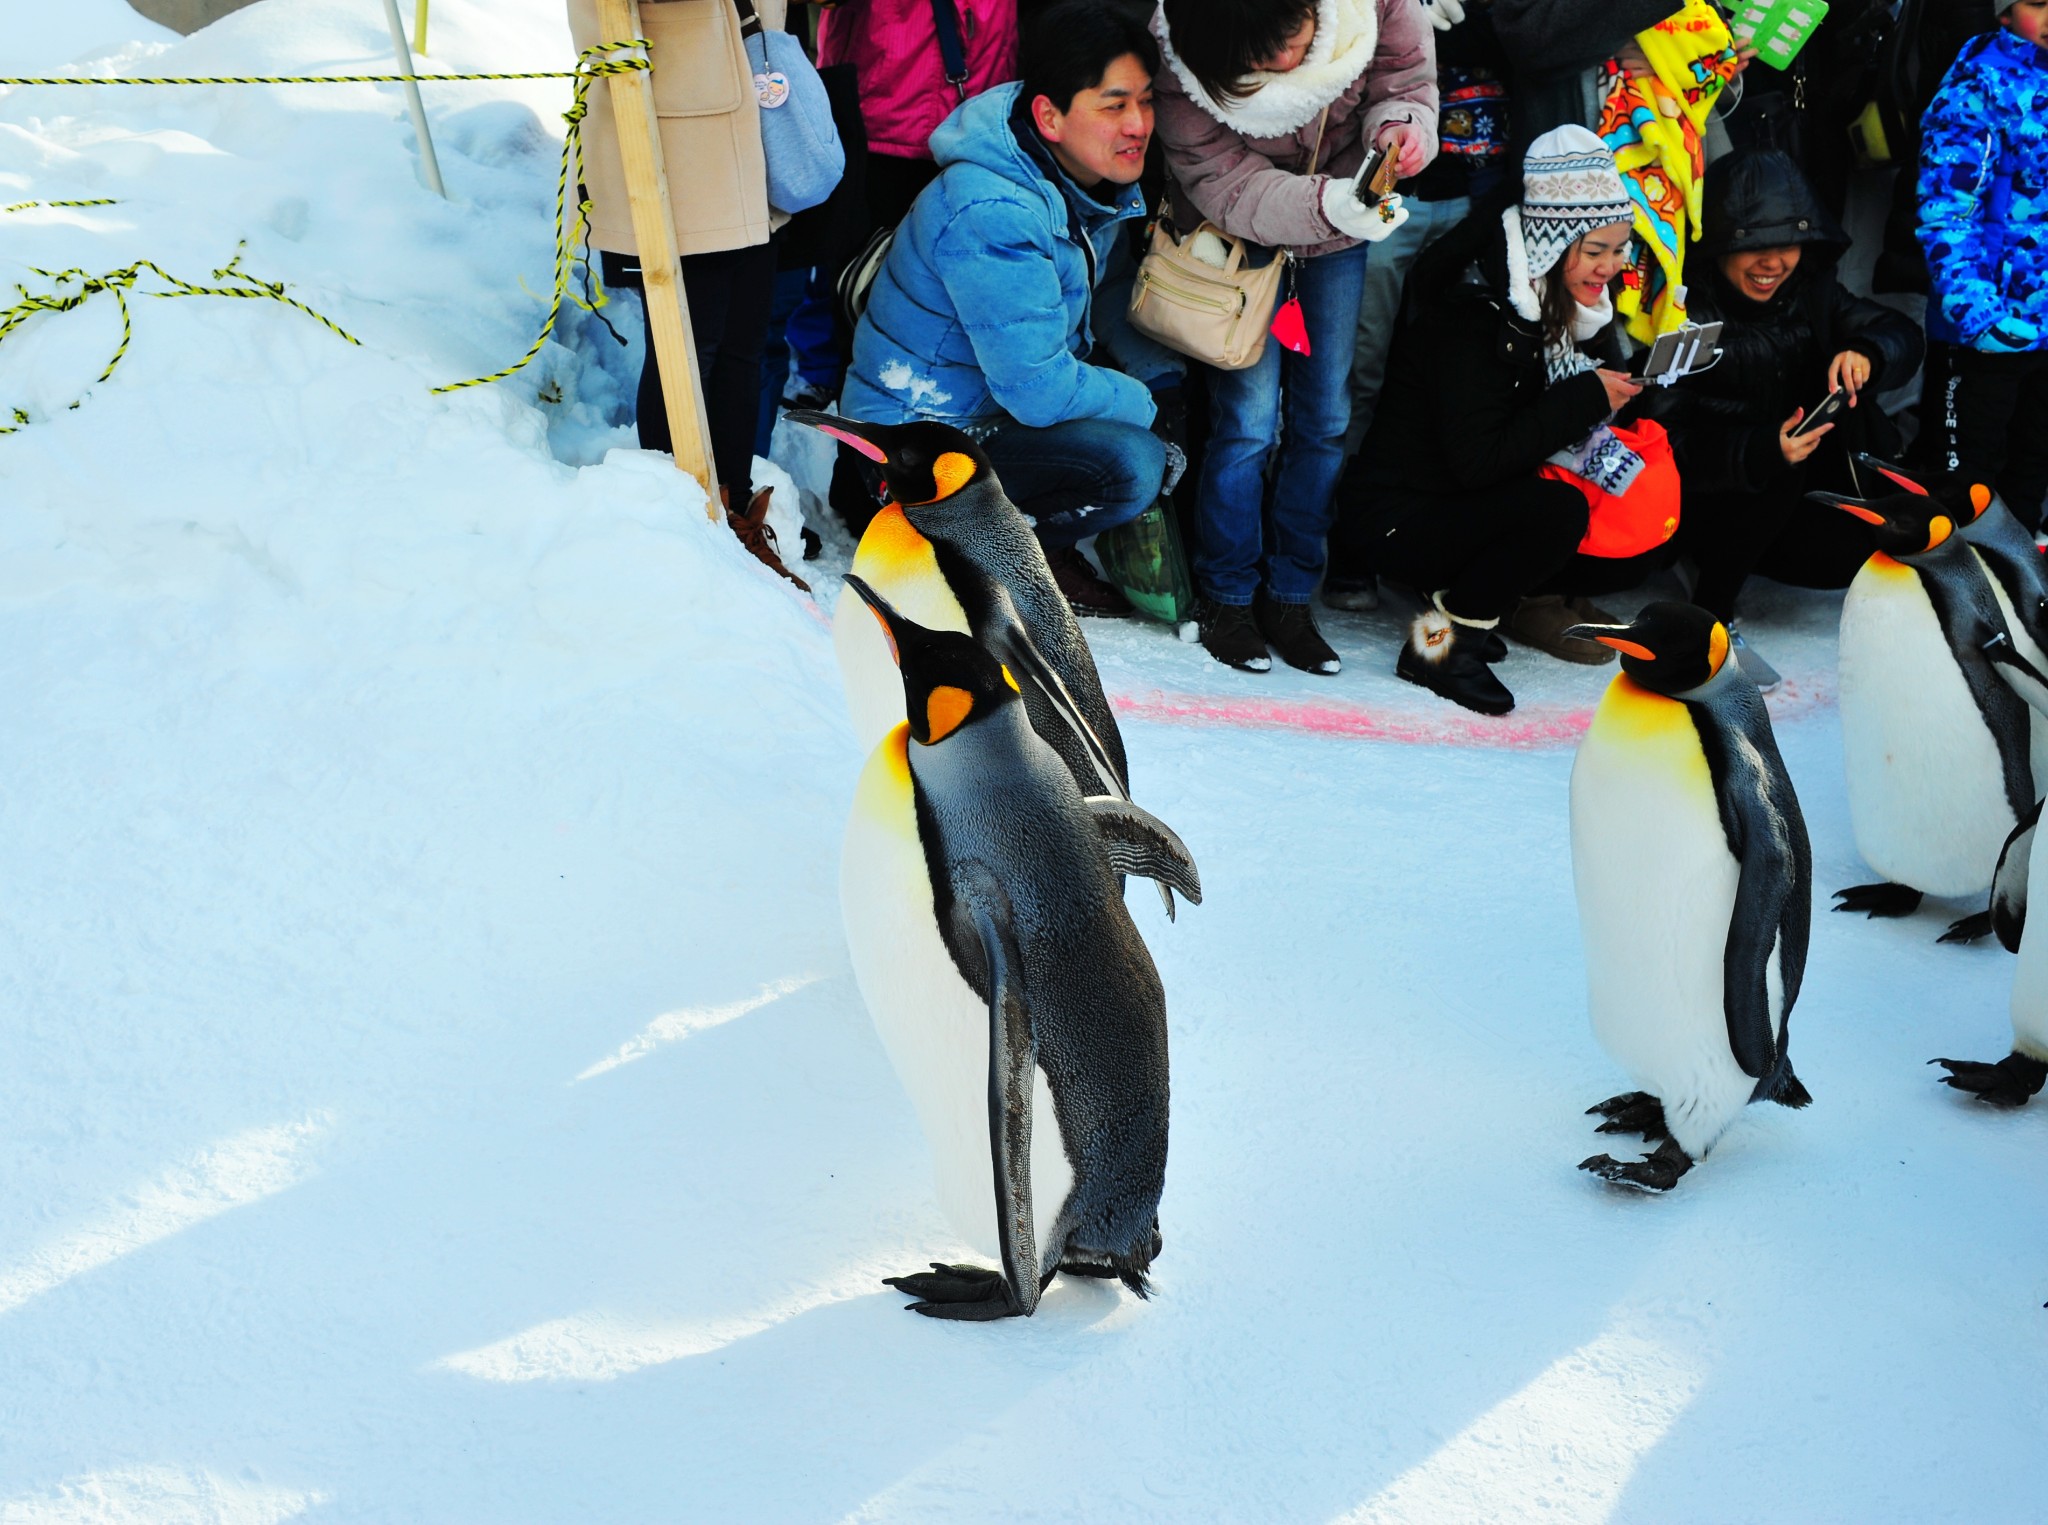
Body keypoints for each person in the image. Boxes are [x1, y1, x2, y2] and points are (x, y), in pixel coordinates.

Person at [837, 0, 1183, 613]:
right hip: (917, 446)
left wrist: (1164, 377)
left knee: (1158, 414)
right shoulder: (994, 208)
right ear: (1048, 115)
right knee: (1134, 462)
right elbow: (1040, 391)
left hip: (989, 419)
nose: (1138, 123)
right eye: (1114, 104)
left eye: (1145, 100)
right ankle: (999, 560)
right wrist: (1146, 405)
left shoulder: (1074, 175)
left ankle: (1001, 542)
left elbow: (1104, 290)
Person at [1153, 0, 1439, 676]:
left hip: (1342, 232)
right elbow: (1226, 182)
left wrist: (1402, 131)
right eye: (1257, 58)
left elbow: (1404, 76)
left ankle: (1289, 595)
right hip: (1233, 234)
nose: (1283, 62)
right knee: (1248, 422)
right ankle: (1226, 592)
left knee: (1325, 417)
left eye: (1293, 40)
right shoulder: (1181, 44)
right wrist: (1325, 202)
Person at [1341, 126, 1646, 715]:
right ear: (1552, 245)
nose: (1610, 266)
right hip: (1394, 515)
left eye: (1618, 248)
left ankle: (1464, 613)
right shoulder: (1475, 317)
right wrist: (1584, 399)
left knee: (1600, 491)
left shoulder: (1559, 311)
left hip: (1440, 497)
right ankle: (1437, 647)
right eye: (1594, 250)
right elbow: (1480, 460)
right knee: (1556, 513)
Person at [1635, 149, 1925, 686]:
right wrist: (1759, 450)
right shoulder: (1686, 316)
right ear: (1720, 245)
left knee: (1858, 527)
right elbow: (1660, 445)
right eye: (1754, 246)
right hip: (1709, 505)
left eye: (1786, 243)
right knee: (1780, 466)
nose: (1772, 263)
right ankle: (1708, 614)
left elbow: (1901, 333)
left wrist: (1866, 351)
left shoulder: (1811, 295)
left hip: (1790, 503)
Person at [569, 0, 814, 588]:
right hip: (671, 120)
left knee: (742, 345)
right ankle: (681, 520)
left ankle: (733, 505)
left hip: (747, 112)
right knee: (686, 348)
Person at [1327, 0, 1512, 612]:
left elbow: (1527, 37)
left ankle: (1413, 540)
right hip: (1379, 191)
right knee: (1360, 371)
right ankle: (1347, 540)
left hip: (1477, 197)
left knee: (1446, 381)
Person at [1914, 0, 2048, 531]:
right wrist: (1978, 315)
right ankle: (1964, 585)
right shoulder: (1979, 86)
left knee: (2033, 462)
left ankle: (2020, 585)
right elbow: (1947, 210)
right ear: (2004, 13)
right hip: (1988, 326)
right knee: (1970, 476)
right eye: (2038, 2)